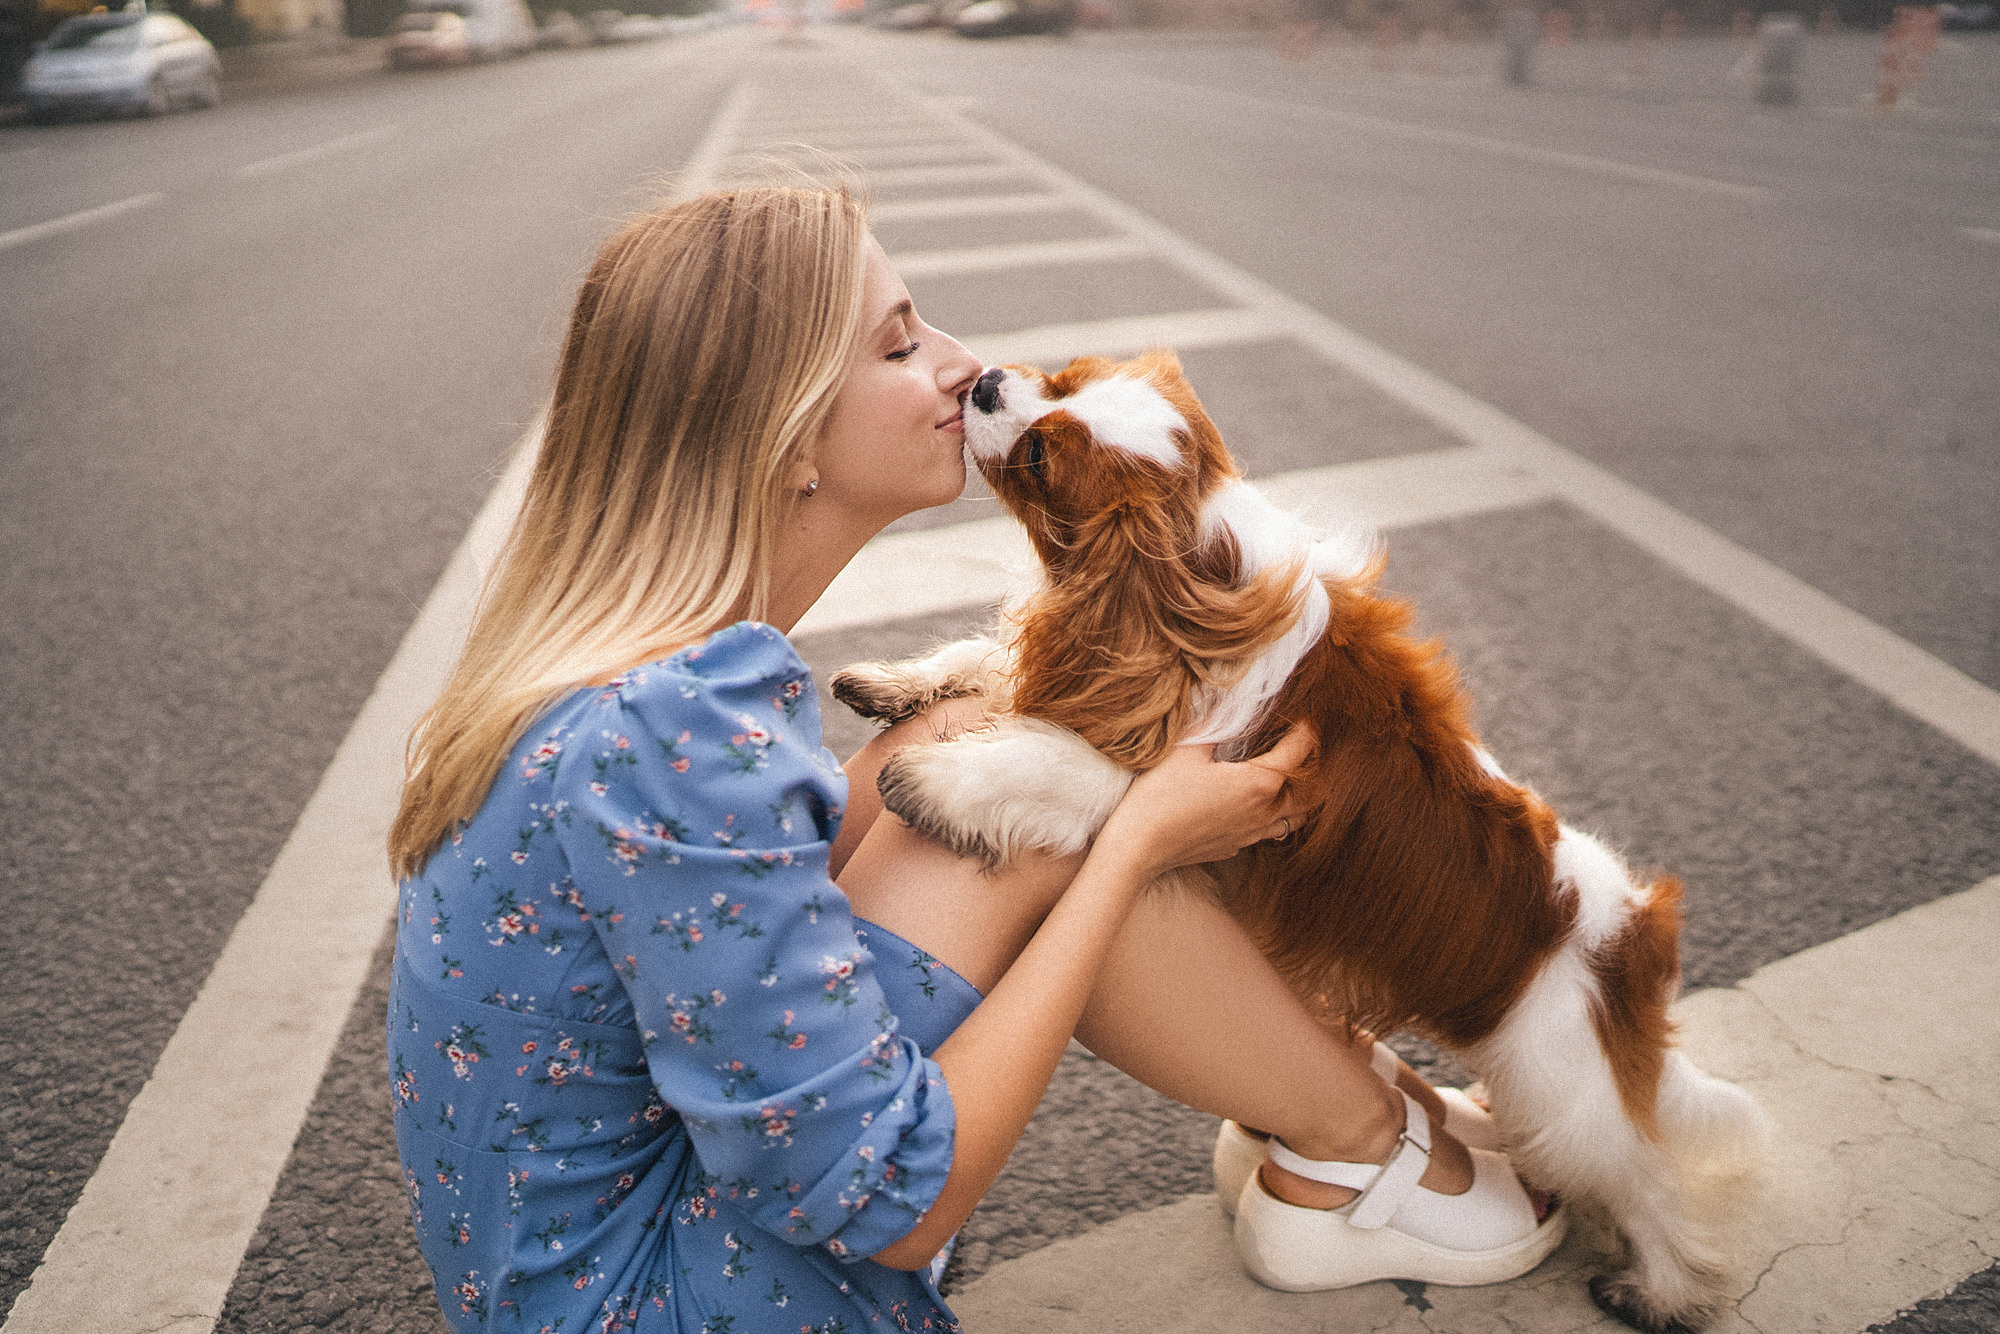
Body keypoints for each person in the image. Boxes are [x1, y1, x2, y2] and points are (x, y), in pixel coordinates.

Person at [384, 185, 1560, 1334]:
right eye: (900, 347)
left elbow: (744, 896)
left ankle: (1320, 1086)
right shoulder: (674, 729)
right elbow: (886, 1201)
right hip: (663, 1302)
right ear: (786, 436)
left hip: (574, 1263)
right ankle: (1355, 1145)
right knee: (1040, 816)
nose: (959, 362)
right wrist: (1137, 841)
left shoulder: (636, 670)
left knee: (963, 744)